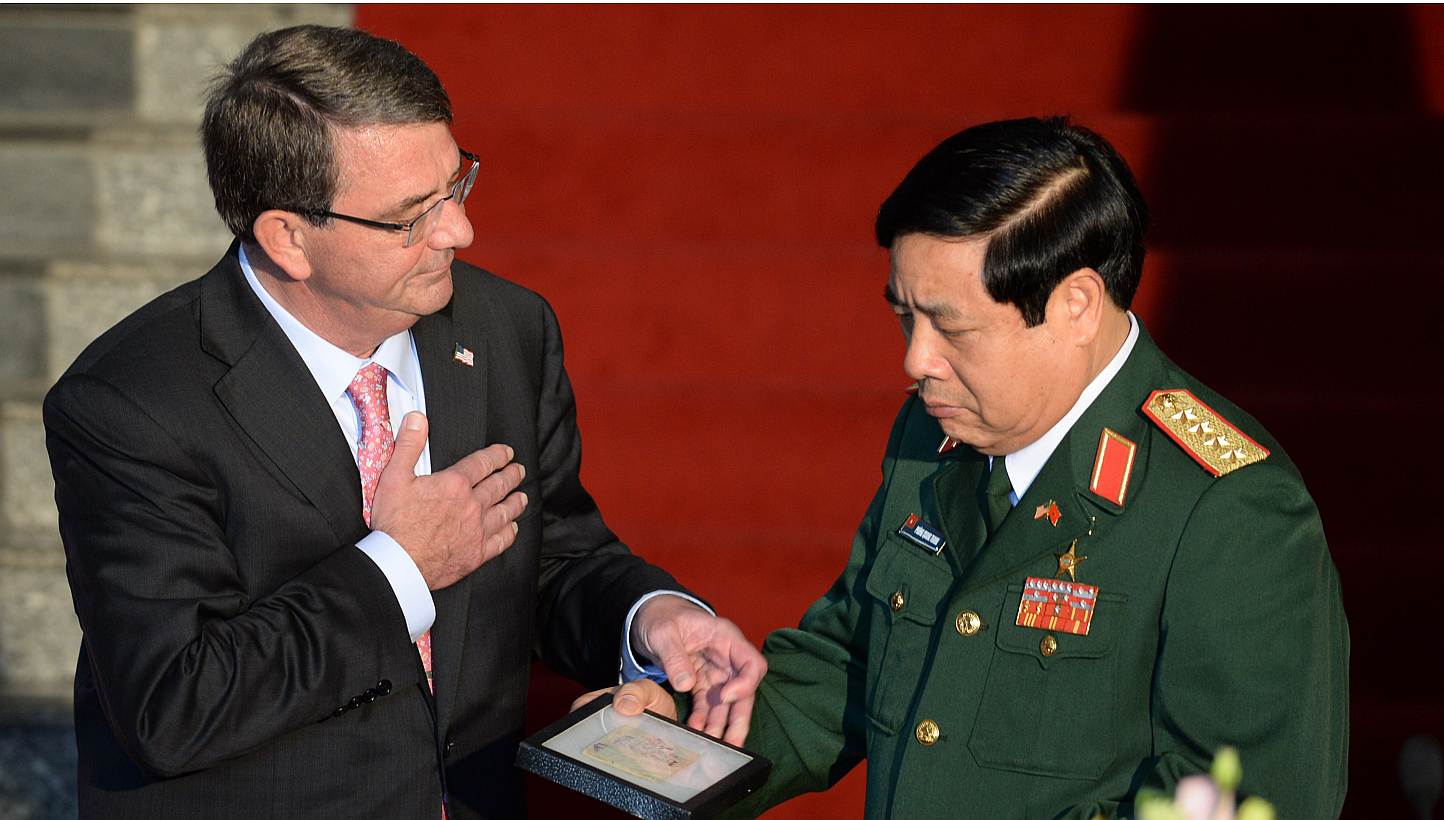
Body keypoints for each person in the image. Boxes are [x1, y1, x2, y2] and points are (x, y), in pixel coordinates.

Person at [43, 25, 762, 819]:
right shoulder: (132, 401)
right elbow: (175, 706)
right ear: (289, 238)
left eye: (457, 186)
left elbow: (550, 552)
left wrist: (648, 617)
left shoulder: (503, 327)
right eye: (410, 217)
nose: (459, 231)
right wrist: (400, 567)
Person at [613, 117, 1348, 818]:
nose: (915, 362)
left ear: (1077, 305)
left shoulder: (1228, 508)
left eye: (950, 326)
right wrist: (669, 739)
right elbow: (853, 663)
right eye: (905, 316)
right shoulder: (938, 432)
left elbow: (1241, 803)